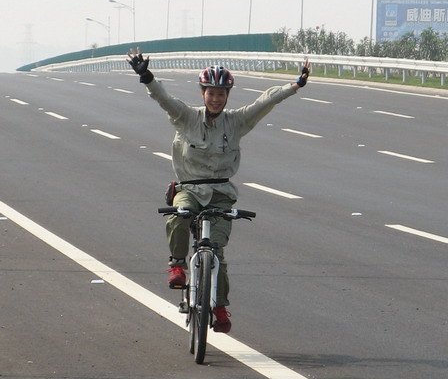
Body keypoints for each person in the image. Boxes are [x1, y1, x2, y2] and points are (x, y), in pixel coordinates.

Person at [127, 48, 310, 333]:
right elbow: (163, 98)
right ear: (203, 94)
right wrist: (146, 76)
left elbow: (265, 102)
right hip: (189, 188)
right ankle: (177, 265)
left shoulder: (236, 122)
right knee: (178, 214)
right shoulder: (186, 117)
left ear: (227, 97)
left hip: (222, 193)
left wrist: (294, 86)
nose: (215, 99)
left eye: (221, 94)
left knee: (216, 254)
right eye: (211, 93)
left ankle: (220, 307)